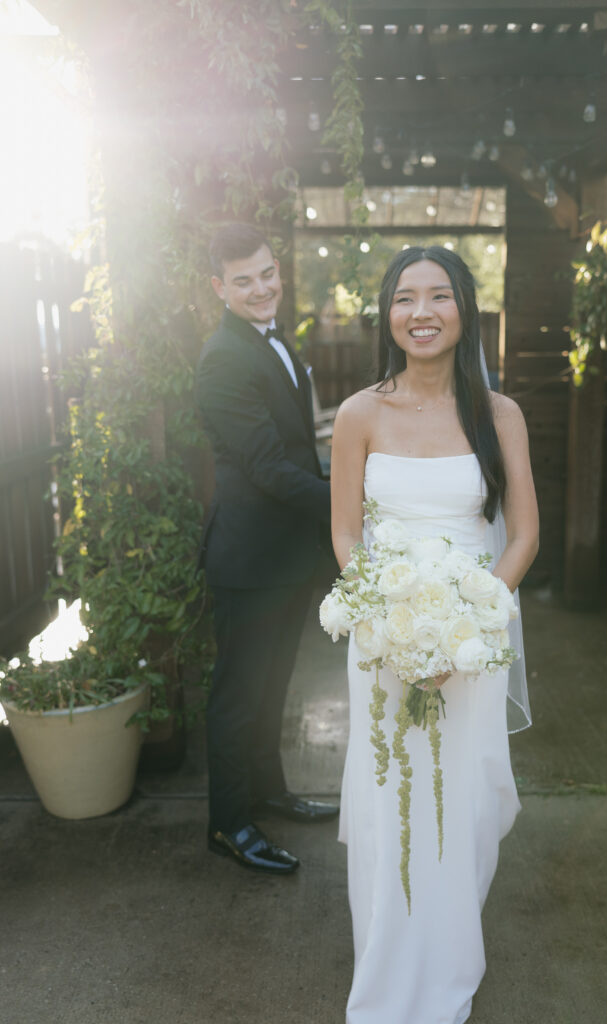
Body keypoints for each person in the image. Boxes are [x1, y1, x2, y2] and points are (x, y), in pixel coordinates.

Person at [331, 245, 539, 1023]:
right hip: (382, 643)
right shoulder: (358, 414)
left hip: (470, 641)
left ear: (464, 312)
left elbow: (522, 537)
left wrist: (469, 619)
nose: (421, 312)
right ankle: (385, 976)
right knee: (392, 804)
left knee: (467, 803)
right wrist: (386, 620)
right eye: (404, 298)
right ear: (386, 315)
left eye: (439, 296)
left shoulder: (499, 414)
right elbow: (346, 536)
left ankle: (449, 962)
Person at [195, 222, 338, 876]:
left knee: (274, 684)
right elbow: (268, 467)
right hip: (249, 562)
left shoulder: (273, 337)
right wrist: (350, 499)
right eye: (243, 280)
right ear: (219, 288)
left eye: (267, 273)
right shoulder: (224, 357)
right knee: (237, 695)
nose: (261, 288)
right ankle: (228, 824)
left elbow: (295, 444)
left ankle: (269, 792)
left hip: (286, 555)